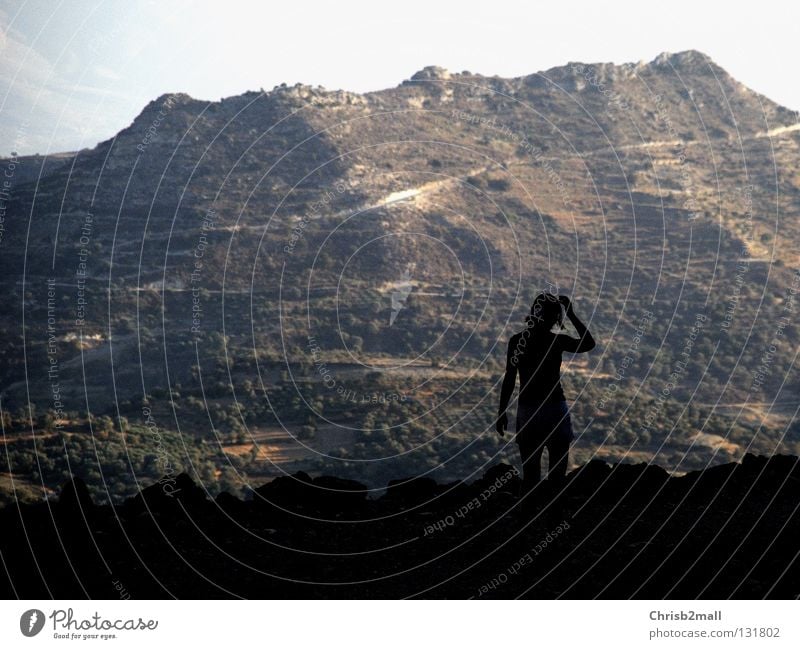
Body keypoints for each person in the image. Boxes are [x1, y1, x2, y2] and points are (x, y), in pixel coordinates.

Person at [496, 293, 595, 495]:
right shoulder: (556, 341)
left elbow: (509, 378)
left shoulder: (517, 341)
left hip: (528, 411)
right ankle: (551, 519)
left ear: (534, 313)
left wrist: (501, 412)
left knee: (530, 476)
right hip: (555, 409)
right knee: (557, 477)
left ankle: (529, 519)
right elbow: (588, 344)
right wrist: (572, 314)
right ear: (556, 318)